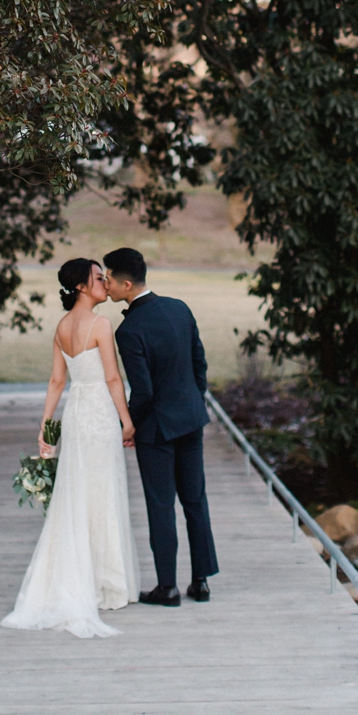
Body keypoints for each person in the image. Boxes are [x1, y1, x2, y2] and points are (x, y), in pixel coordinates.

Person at [0, 257, 140, 638]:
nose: (104, 283)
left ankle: (86, 577)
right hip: (98, 417)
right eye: (98, 278)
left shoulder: (62, 328)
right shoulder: (101, 324)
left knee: (78, 492)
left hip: (77, 417)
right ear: (81, 286)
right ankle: (106, 584)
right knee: (103, 492)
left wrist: (47, 428)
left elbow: (56, 383)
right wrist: (126, 420)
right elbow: (113, 377)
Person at [104, 247, 219, 606]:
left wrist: (131, 425)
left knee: (160, 505)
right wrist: (191, 402)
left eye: (108, 279)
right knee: (195, 500)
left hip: (156, 429)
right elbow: (199, 364)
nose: (105, 286)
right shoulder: (179, 307)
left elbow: (144, 391)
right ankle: (200, 583)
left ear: (125, 284)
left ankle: (167, 587)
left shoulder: (128, 330)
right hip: (190, 419)